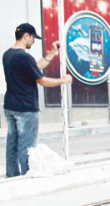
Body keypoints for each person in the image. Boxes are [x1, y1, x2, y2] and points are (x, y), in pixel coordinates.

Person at [3, 23, 72, 177]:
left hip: (10, 106)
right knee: (27, 146)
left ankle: (12, 175)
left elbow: (34, 68)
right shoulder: (24, 56)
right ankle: (28, 176)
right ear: (26, 36)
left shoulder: (7, 55)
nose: (34, 42)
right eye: (33, 38)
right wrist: (63, 80)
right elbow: (41, 80)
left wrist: (52, 53)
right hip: (26, 107)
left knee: (12, 144)